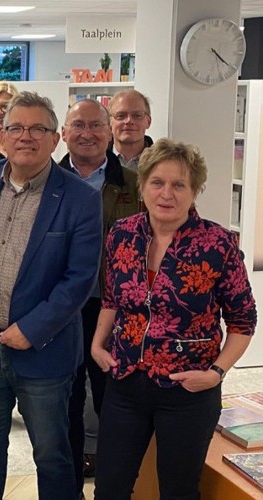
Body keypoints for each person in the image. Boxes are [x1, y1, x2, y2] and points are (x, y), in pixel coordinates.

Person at [0, 91, 102, 500]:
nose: (25, 137)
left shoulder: (80, 198)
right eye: (15, 127)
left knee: (51, 454)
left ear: (55, 139)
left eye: (38, 128)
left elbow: (79, 280)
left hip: (42, 350)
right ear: (1, 136)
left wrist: (30, 330)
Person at [92, 139, 257, 499]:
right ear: (143, 185)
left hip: (188, 390)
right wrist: (97, 343)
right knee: (109, 488)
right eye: (157, 182)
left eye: (179, 184)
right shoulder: (122, 235)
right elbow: (111, 298)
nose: (167, 193)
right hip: (125, 382)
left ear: (194, 190)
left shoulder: (218, 244)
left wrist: (215, 373)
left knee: (179, 491)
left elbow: (244, 321)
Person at [56, 99, 142, 497]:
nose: (87, 133)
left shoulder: (135, 184)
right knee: (65, 404)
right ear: (63, 133)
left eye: (95, 126)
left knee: (115, 407)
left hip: (117, 313)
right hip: (61, 311)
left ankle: (110, 489)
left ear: (110, 133)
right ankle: (70, 487)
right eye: (78, 125)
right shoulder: (47, 181)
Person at [108, 89, 154, 172]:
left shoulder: (163, 162)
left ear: (148, 121)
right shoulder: (95, 160)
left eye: (137, 115)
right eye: (121, 115)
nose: (129, 121)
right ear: (109, 122)